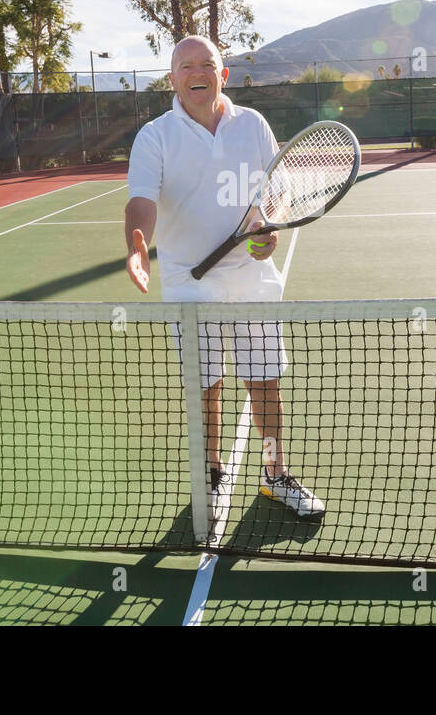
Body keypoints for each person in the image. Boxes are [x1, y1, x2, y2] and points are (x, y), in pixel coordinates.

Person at [124, 35, 324, 526]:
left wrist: (268, 225)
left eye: (206, 64)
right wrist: (136, 247)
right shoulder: (154, 136)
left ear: (222, 74)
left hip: (252, 277)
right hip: (189, 281)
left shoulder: (252, 125)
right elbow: (142, 201)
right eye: (185, 65)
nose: (197, 72)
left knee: (265, 382)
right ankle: (212, 476)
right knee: (206, 385)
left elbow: (277, 189)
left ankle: (275, 475)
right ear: (171, 78)